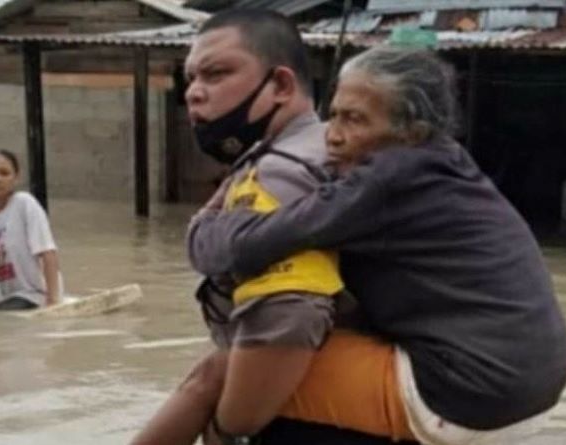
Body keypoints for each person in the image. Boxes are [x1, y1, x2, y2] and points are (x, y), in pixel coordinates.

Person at [189, 46, 566, 445]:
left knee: (230, 378)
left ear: (412, 131)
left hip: (468, 393)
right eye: (334, 115)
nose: (332, 136)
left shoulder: (388, 179)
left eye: (354, 120)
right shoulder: (445, 163)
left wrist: (206, 225)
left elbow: (251, 245)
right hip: (527, 389)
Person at [131, 10, 400, 445]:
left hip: (314, 411)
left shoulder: (281, 171)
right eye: (191, 78)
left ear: (281, 85)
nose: (195, 94)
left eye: (216, 74)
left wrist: (231, 426)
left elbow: (287, 318)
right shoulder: (325, 150)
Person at [0, 150, 62, 311]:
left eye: (4, 173)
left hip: (34, 292)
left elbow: (48, 253)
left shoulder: (25, 204)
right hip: (5, 291)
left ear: (16, 177)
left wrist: (53, 301)